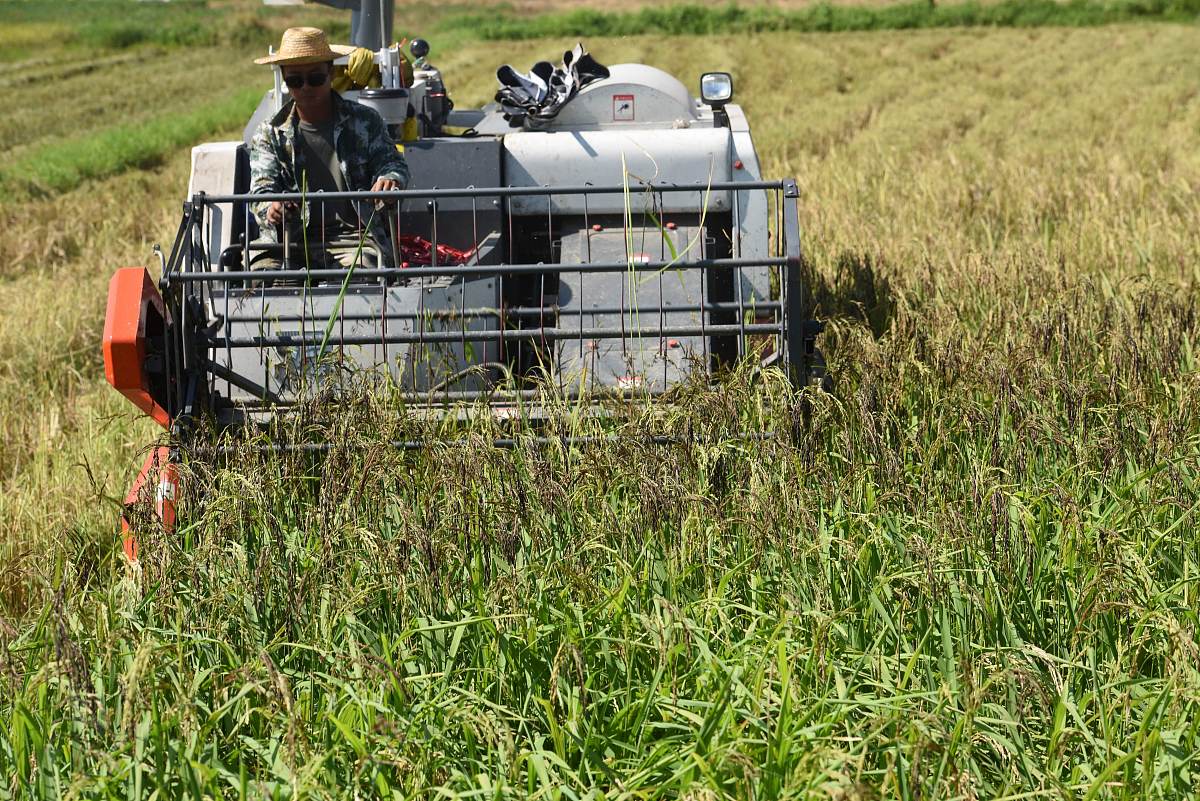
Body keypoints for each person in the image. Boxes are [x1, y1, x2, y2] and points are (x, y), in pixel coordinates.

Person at [249, 26, 409, 273]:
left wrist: (389, 180)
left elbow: (392, 163)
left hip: (353, 241)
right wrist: (272, 208)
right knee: (261, 287)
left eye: (314, 78)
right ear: (284, 79)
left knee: (361, 282)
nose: (305, 88)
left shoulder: (365, 122)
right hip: (285, 244)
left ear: (331, 73)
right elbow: (261, 189)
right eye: (295, 80)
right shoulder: (269, 133)